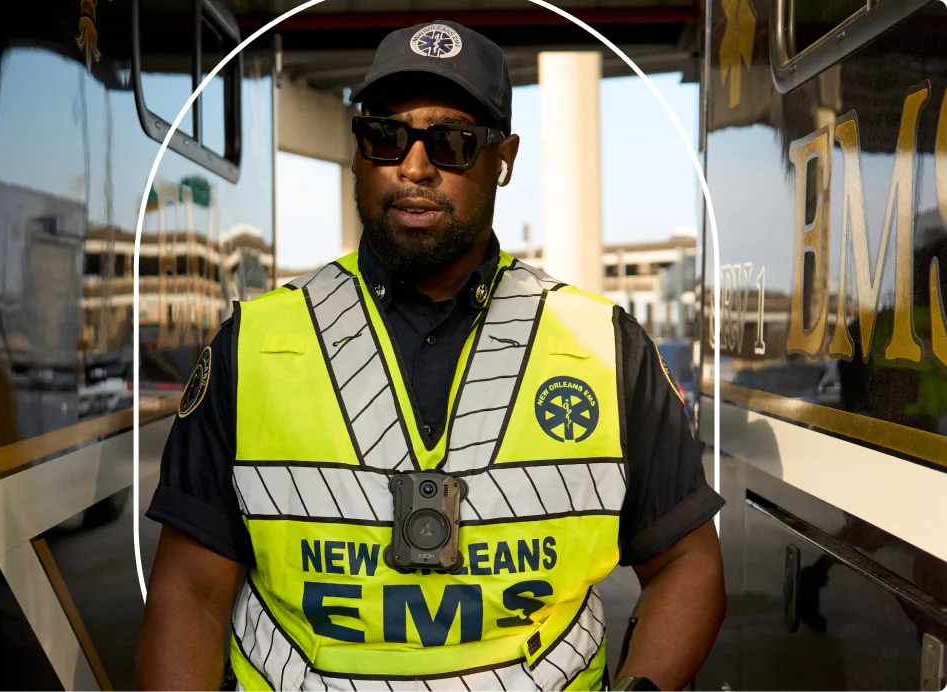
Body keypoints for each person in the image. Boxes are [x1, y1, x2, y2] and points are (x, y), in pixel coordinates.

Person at [137, 20, 726, 692]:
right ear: (359, 151)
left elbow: (685, 560)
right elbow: (190, 592)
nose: (413, 167)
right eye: (385, 136)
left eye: (450, 143)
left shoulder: (605, 347)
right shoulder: (251, 344)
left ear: (502, 159)